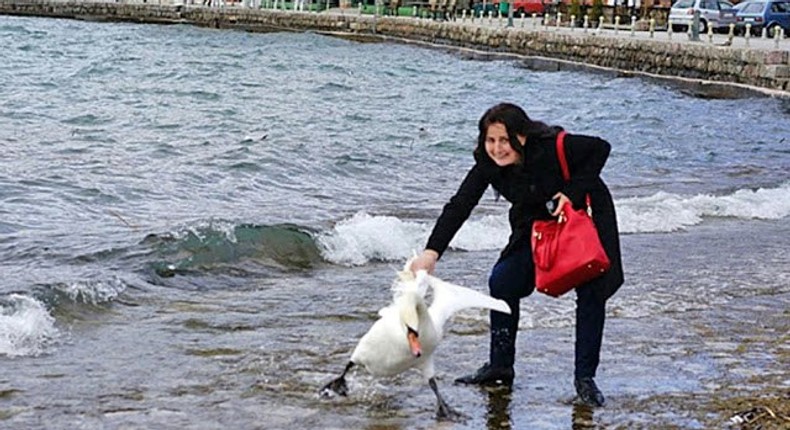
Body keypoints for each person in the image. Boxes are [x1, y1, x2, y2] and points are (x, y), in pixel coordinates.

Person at [409, 102, 624, 407]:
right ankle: (500, 367)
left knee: (591, 291)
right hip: (534, 226)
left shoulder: (550, 147)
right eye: (490, 140)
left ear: (521, 137)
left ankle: (585, 380)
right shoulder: (488, 163)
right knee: (503, 281)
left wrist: (571, 194)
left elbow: (600, 148)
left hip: (582, 220)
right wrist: (432, 252)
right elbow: (460, 204)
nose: (497, 148)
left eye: (504, 140)